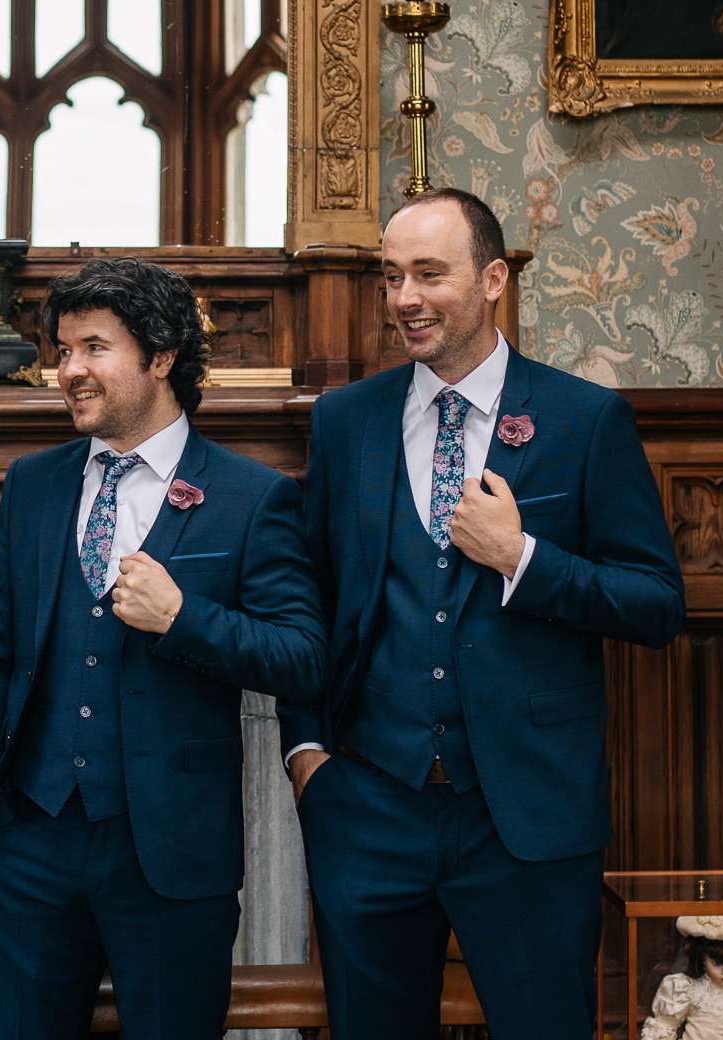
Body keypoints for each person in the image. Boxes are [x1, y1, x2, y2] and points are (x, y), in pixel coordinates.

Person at [279, 188, 685, 1040]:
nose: (405, 300)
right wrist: (307, 752)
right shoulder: (347, 422)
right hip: (367, 808)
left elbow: (655, 603)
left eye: (430, 274)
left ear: (494, 278)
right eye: (392, 278)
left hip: (526, 819)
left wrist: (522, 558)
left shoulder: (583, 419)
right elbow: (306, 597)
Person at [0, 257, 324, 1040]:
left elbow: (301, 657)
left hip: (172, 852)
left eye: (93, 347)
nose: (69, 370)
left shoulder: (252, 497)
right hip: (26, 841)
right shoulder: (33, 484)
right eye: (62, 351)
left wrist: (185, 617)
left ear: (159, 358)